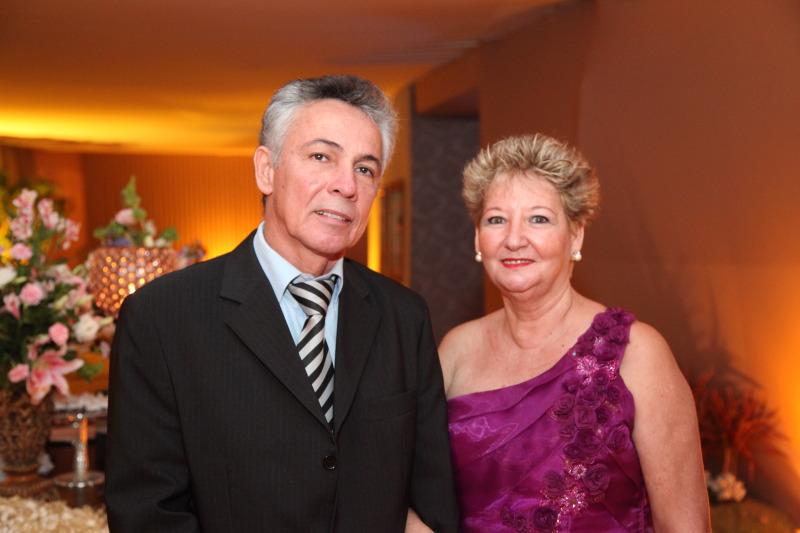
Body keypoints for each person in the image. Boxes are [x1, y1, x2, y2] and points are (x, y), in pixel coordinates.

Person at [106, 75, 459, 532]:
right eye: (321, 157)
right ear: (266, 170)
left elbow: (431, 496)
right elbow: (147, 514)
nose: (346, 186)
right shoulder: (162, 317)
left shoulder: (404, 316)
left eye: (365, 169)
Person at [438, 134, 710, 532]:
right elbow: (421, 497)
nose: (514, 238)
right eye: (496, 219)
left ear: (576, 235)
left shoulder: (638, 353)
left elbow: (685, 526)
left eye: (538, 219)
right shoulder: (454, 350)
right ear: (478, 238)